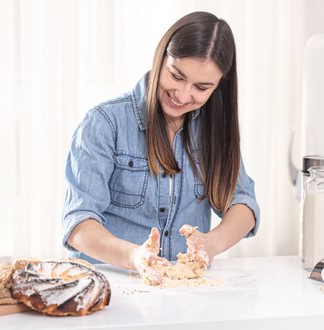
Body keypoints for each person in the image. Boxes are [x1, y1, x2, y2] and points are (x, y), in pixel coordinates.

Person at [61, 11, 260, 282]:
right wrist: (134, 257)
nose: (183, 95)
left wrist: (211, 245)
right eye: (176, 76)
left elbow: (243, 204)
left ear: (218, 87)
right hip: (109, 285)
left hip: (183, 292)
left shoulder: (214, 131)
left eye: (201, 87)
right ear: (161, 58)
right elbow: (78, 225)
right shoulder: (104, 123)